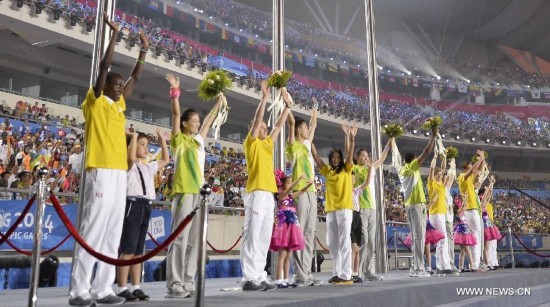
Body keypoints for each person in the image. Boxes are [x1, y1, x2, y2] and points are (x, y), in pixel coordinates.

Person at [69, 14, 148, 307]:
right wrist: (115, 34)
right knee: (93, 228)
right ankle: (79, 290)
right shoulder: (95, 102)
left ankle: (102, 289)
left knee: (113, 231)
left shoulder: (119, 106)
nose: (118, 88)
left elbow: (136, 78)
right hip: (100, 169)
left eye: (119, 86)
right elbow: (104, 67)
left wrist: (143, 50)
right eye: (114, 85)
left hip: (118, 173)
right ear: (103, 87)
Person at [164, 72, 221, 297]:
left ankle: (188, 280)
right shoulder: (179, 140)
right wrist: (175, 92)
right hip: (183, 191)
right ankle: (174, 284)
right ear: (185, 124)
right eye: (193, 121)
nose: (197, 124)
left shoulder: (198, 141)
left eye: (198, 121)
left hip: (199, 193)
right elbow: (175, 113)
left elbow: (209, 121)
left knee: (195, 241)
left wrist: (219, 103)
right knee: (179, 239)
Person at [240, 81, 291, 291]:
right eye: (261, 127)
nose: (265, 128)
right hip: (255, 192)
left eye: (265, 128)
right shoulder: (251, 144)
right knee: (252, 235)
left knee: (262, 237)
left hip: (268, 195)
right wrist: (264, 98)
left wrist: (287, 108)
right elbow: (259, 120)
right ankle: (248, 278)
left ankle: (260, 275)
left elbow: (278, 126)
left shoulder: (268, 144)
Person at [115, 129, 169, 302]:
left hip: (146, 206)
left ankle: (136, 286)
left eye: (147, 145)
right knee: (128, 249)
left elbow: (166, 160)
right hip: (133, 204)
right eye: (142, 145)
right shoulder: (128, 165)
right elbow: (131, 158)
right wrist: (134, 137)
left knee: (139, 251)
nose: (146, 149)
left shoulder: (147, 166)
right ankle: (122, 287)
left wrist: (162, 140)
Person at [311, 124, 357, 284]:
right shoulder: (327, 171)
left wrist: (351, 138)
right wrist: (310, 138)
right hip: (331, 209)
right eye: (333, 158)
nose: (335, 160)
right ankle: (337, 272)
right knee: (332, 242)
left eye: (337, 158)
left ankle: (346, 275)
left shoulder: (347, 168)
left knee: (344, 241)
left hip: (344, 209)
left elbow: (350, 154)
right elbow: (316, 158)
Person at [286, 105, 324, 287]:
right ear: (299, 130)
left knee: (309, 233)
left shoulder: (308, 144)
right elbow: (291, 123)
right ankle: (299, 274)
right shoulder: (293, 146)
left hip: (311, 191)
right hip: (300, 191)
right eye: (306, 129)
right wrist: (286, 106)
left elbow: (314, 124)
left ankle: (307, 272)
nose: (309, 131)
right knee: (299, 233)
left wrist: (315, 110)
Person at [397, 126, 436, 278]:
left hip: (413, 205)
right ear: (412, 161)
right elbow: (426, 153)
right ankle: (419, 268)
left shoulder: (403, 170)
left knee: (417, 237)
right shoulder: (410, 168)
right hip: (415, 205)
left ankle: (416, 266)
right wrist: (432, 137)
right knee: (419, 237)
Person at [353, 138, 392, 282]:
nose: (366, 157)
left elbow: (381, 159)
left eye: (367, 155)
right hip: (361, 207)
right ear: (357, 158)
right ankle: (358, 271)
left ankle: (369, 271)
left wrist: (388, 146)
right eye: (362, 156)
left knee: (371, 242)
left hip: (372, 207)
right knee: (364, 239)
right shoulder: (355, 169)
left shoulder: (372, 167)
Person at [270, 173, 312, 288]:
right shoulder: (281, 195)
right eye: (288, 182)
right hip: (284, 223)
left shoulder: (289, 196)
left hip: (291, 222)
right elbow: (290, 188)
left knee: (288, 254)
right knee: (282, 253)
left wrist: (310, 185)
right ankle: (278, 279)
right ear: (282, 185)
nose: (290, 184)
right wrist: (299, 179)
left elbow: (302, 191)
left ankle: (286, 279)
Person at [427, 155, 458, 275]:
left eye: (441, 174)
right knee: (442, 239)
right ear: (434, 176)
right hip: (436, 214)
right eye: (437, 174)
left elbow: (444, 169)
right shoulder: (432, 184)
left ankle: (444, 265)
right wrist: (434, 157)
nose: (440, 176)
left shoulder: (441, 185)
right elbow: (431, 170)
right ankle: (442, 266)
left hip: (442, 214)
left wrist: (445, 157)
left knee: (442, 240)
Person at [457, 150, 486, 272]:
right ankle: (475, 264)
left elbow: (478, 171)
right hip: (470, 210)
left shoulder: (468, 180)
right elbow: (473, 171)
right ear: (466, 169)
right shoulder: (462, 177)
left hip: (472, 209)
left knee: (476, 236)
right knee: (475, 236)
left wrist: (482, 160)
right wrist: (480, 159)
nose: (472, 170)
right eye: (470, 168)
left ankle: (474, 264)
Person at [454, 194, 476, 272]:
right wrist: (466, 198)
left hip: (465, 230)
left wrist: (465, 198)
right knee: (467, 250)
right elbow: (463, 206)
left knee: (463, 251)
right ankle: (472, 266)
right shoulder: (457, 212)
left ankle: (461, 267)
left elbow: (465, 205)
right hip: (462, 231)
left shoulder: (462, 211)